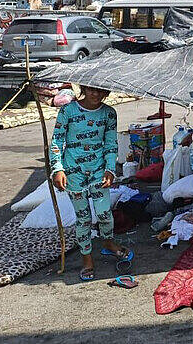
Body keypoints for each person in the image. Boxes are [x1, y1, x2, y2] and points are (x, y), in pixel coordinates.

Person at [50, 85, 131, 281]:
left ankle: (108, 242)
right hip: (73, 172)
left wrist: (110, 169)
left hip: (99, 171)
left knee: (104, 214)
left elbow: (111, 144)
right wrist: (57, 169)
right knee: (83, 218)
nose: (96, 94)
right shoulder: (68, 110)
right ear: (84, 89)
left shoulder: (109, 113)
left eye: (101, 90)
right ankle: (86, 258)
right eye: (91, 90)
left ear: (106, 92)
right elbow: (57, 141)